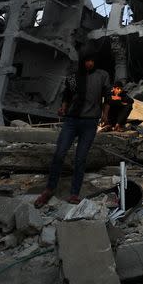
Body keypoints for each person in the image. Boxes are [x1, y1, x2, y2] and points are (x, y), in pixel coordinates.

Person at [35, 54, 110, 207]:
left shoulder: (102, 75)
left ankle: (74, 193)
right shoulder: (73, 77)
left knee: (80, 158)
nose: (89, 63)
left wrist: (105, 114)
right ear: (82, 62)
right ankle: (49, 189)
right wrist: (63, 108)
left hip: (90, 122)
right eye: (86, 61)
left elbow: (107, 96)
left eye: (92, 60)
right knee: (59, 153)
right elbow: (67, 95)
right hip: (71, 120)